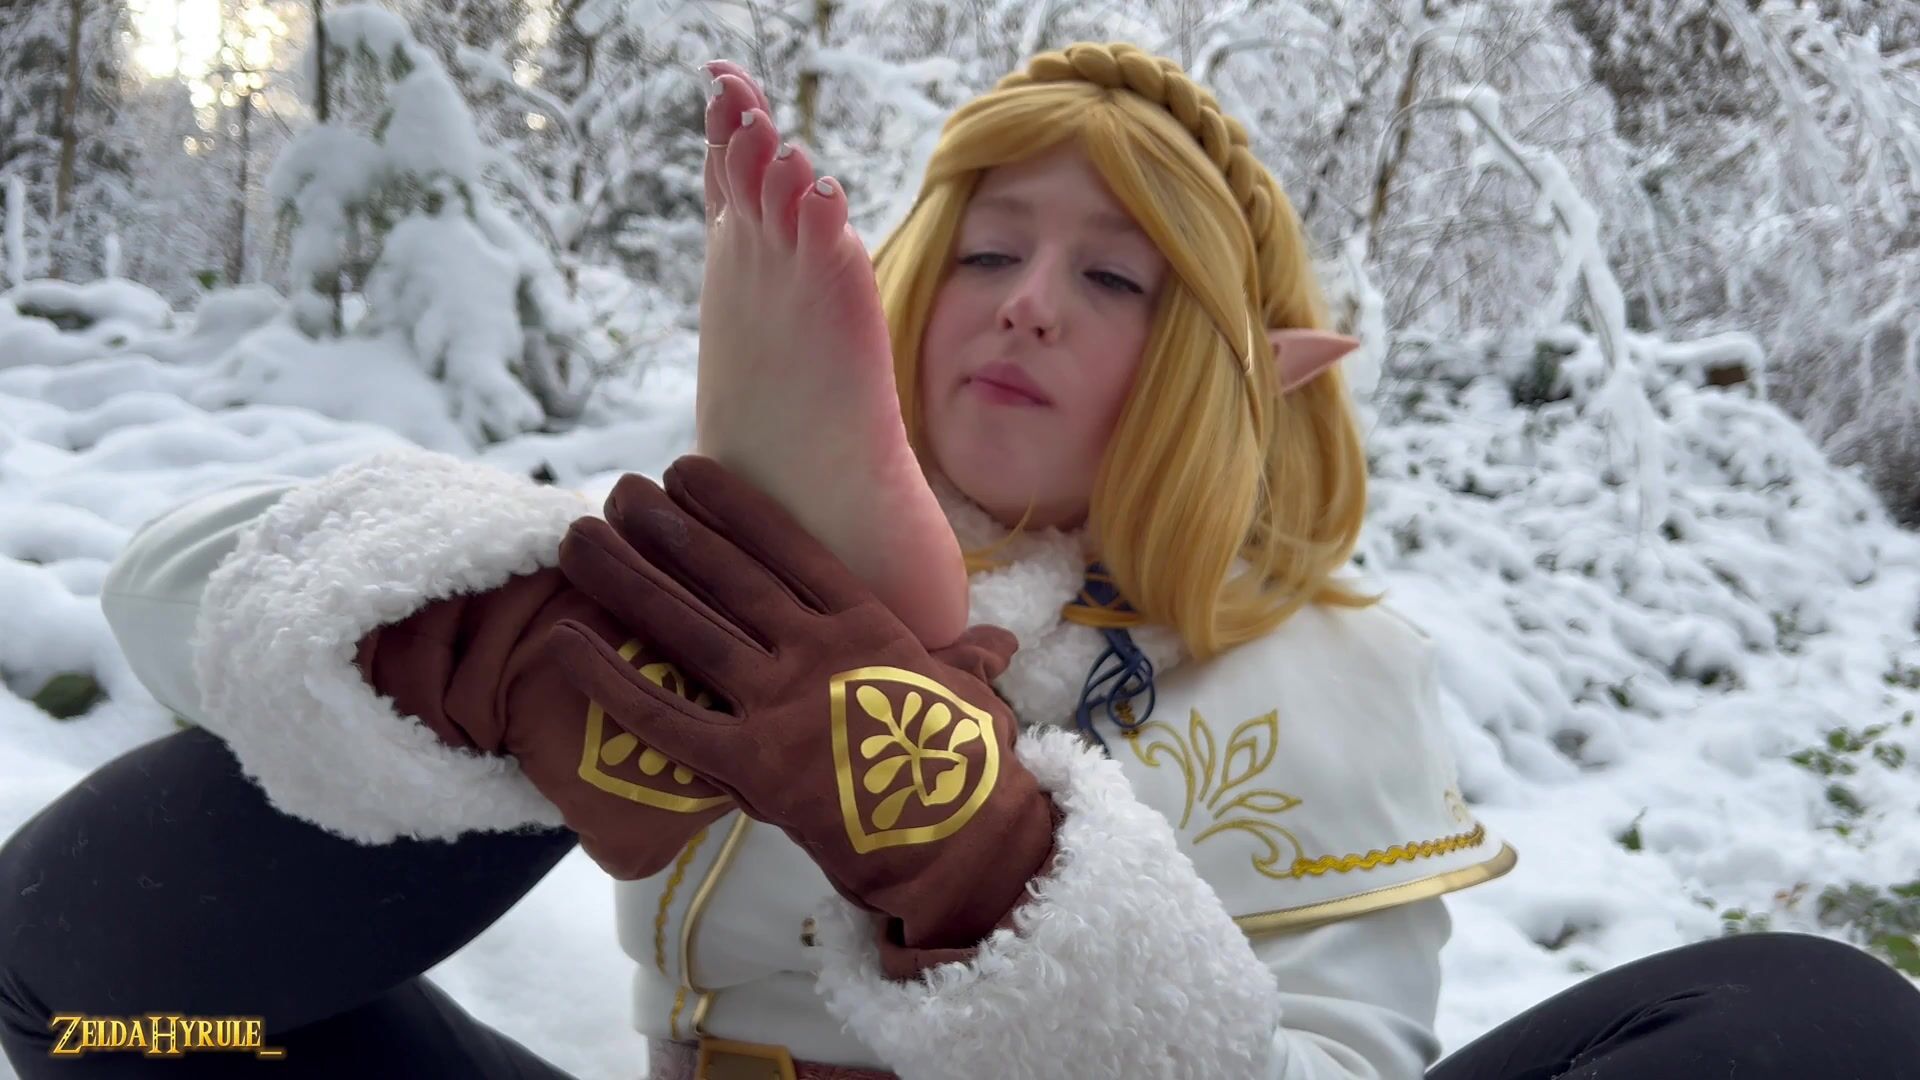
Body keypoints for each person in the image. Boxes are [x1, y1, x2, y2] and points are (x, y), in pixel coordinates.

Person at [3, 42, 1918, 1080]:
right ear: (903, 299)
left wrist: (977, 854)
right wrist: (525, 658)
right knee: (82, 984)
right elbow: (176, 591)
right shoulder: (724, 539)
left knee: (1816, 1028)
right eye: (990, 250)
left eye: (1116, 279)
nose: (1027, 302)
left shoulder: (1327, 670)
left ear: (1228, 372)